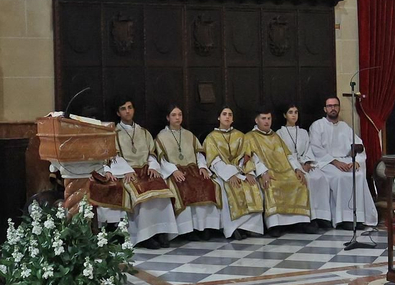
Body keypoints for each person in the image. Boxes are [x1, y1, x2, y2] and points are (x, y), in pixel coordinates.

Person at [90, 99, 180, 247]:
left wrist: (153, 166)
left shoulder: (144, 132)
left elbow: (152, 153)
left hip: (145, 169)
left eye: (130, 107)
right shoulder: (113, 133)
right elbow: (113, 156)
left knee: (161, 189)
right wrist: (126, 170)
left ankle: (162, 231)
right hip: (127, 172)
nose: (127, 111)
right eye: (123, 108)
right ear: (118, 113)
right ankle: (146, 235)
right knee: (143, 194)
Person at [308, 97, 378, 229]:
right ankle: (343, 219)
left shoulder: (345, 127)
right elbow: (316, 148)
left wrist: (356, 162)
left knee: (358, 176)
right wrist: (335, 162)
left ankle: (358, 217)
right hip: (326, 163)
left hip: (345, 161)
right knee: (340, 177)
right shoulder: (317, 126)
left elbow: (358, 145)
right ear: (325, 109)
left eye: (335, 105)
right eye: (330, 106)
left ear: (339, 108)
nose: (333, 108)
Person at [243, 110, 311, 235]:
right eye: (263, 118)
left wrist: (297, 169)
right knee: (272, 185)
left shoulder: (275, 136)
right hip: (267, 172)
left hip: (285, 170)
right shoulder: (249, 137)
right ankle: (275, 225)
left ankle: (300, 222)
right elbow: (252, 158)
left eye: (269, 118)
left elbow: (288, 155)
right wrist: (263, 173)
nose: (267, 121)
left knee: (299, 182)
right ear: (256, 120)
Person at [155, 105, 219, 237]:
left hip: (193, 169)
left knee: (206, 184)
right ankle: (187, 229)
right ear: (168, 118)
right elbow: (162, 159)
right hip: (175, 171)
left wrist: (202, 167)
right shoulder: (161, 137)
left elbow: (199, 154)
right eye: (174, 115)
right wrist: (173, 171)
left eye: (180, 114)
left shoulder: (189, 135)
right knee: (183, 186)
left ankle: (203, 226)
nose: (177, 118)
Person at [202, 107, 264, 239]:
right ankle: (233, 228)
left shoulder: (240, 136)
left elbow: (248, 156)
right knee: (227, 188)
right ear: (218, 117)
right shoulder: (211, 138)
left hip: (241, 171)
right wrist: (229, 175)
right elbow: (214, 161)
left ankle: (249, 227)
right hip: (222, 174)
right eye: (224, 114)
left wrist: (249, 172)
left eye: (230, 114)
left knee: (253, 185)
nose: (227, 117)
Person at [275, 104, 324, 225]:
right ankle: (309, 217)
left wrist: (307, 162)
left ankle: (321, 215)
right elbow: (282, 153)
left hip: (304, 162)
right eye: (290, 112)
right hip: (290, 165)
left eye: (296, 112)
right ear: (285, 115)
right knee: (306, 180)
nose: (293, 115)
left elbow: (308, 149)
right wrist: (296, 166)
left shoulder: (303, 132)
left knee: (319, 177)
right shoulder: (279, 133)